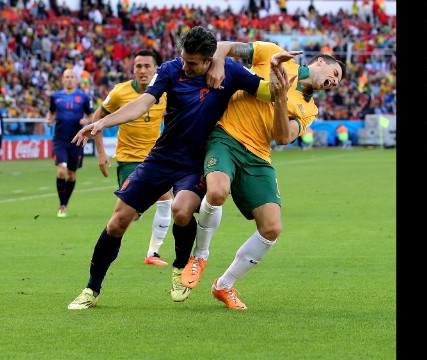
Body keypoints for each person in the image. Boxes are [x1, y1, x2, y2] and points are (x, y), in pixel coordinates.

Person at [67, 26, 280, 310]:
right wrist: (102, 123)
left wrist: (286, 77)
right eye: (183, 58)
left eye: (192, 62)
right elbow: (143, 103)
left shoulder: (231, 72)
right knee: (118, 221)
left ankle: (181, 266)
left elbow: (268, 92)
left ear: (208, 59)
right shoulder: (169, 70)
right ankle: (91, 289)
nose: (185, 65)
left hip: (195, 162)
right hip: (162, 157)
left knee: (181, 210)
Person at [180, 41, 346, 310]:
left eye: (337, 82)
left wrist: (280, 98)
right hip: (226, 135)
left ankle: (223, 285)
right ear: (319, 62)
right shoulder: (272, 53)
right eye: (334, 74)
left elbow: (281, 137)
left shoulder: (309, 109)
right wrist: (219, 64)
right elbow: (222, 46)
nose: (334, 82)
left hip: (258, 156)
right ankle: (199, 256)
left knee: (272, 228)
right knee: (218, 191)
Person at [90, 49, 172, 267]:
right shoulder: (119, 92)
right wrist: (101, 153)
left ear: (156, 69)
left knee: (167, 198)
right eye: (139, 66)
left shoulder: (165, 92)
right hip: (129, 161)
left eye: (147, 66)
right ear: (133, 69)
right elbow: (97, 118)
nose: (143, 71)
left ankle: (153, 254)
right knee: (129, 216)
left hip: (155, 158)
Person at [45, 68, 93, 218]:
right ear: (63, 80)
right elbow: (51, 112)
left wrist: (87, 120)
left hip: (76, 141)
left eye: (72, 77)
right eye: (67, 77)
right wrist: (49, 119)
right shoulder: (55, 96)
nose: (70, 79)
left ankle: (65, 202)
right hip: (60, 140)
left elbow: (92, 115)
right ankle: (62, 205)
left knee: (72, 175)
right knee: (61, 171)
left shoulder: (83, 97)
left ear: (76, 80)